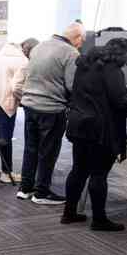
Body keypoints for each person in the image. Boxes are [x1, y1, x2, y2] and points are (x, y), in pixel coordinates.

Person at [63, 38, 127, 231]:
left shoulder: (85, 63)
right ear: (123, 55)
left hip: (79, 124)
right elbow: (120, 102)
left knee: (78, 170)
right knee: (99, 174)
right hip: (100, 129)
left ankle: (69, 213)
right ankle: (99, 220)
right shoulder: (112, 70)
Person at [17, 22, 86, 205]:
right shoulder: (70, 53)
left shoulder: (39, 46)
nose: (82, 44)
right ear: (77, 37)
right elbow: (73, 85)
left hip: (30, 105)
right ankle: (41, 193)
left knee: (30, 149)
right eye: (82, 40)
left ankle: (25, 188)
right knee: (48, 152)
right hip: (51, 109)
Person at [0, 38, 38, 184]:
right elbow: (16, 87)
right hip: (3, 98)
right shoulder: (23, 62)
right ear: (30, 51)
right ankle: (7, 173)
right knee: (5, 136)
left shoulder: (3, 52)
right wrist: (22, 100)